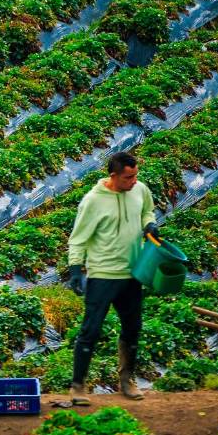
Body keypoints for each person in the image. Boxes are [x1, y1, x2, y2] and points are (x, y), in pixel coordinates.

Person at [65, 152, 159, 400]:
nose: (134, 181)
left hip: (132, 273)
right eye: (128, 177)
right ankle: (78, 386)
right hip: (103, 274)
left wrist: (149, 224)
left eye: (136, 175)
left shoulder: (140, 190)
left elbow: (147, 211)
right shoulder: (93, 201)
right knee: (91, 330)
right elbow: (78, 238)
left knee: (132, 328)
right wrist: (75, 268)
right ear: (114, 175)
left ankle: (127, 380)